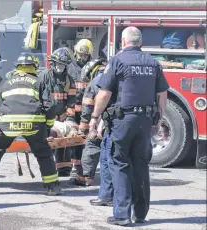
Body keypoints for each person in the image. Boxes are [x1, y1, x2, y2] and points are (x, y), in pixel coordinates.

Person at [90, 26, 169, 226]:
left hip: (122, 121)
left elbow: (105, 93)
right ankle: (140, 213)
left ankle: (122, 215)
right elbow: (162, 94)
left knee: (120, 164)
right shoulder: (153, 62)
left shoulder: (117, 60)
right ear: (140, 42)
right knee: (141, 166)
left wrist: (95, 117)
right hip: (145, 122)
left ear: (123, 42)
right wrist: (158, 119)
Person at [0, 52, 62, 196]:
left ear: (18, 67)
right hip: (32, 125)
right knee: (43, 153)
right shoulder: (39, 81)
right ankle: (52, 187)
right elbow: (50, 106)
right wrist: (48, 125)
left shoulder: (6, 83)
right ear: (34, 66)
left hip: (7, 125)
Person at [39, 47, 77, 177]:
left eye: (63, 64)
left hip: (62, 118)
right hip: (46, 118)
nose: (60, 66)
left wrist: (70, 121)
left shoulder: (69, 81)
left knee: (65, 141)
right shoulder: (44, 77)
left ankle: (64, 169)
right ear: (53, 63)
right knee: (48, 143)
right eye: (58, 63)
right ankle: (47, 170)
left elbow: (71, 102)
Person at [75, 58, 107, 186]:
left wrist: (83, 128)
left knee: (92, 143)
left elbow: (87, 107)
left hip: (102, 118)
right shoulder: (115, 76)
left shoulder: (95, 82)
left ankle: (86, 177)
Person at [67, 38, 94, 184]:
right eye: (80, 55)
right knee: (71, 139)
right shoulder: (69, 67)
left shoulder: (92, 68)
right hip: (72, 110)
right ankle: (71, 168)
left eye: (85, 55)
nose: (82, 58)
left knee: (84, 141)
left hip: (86, 111)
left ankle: (80, 169)